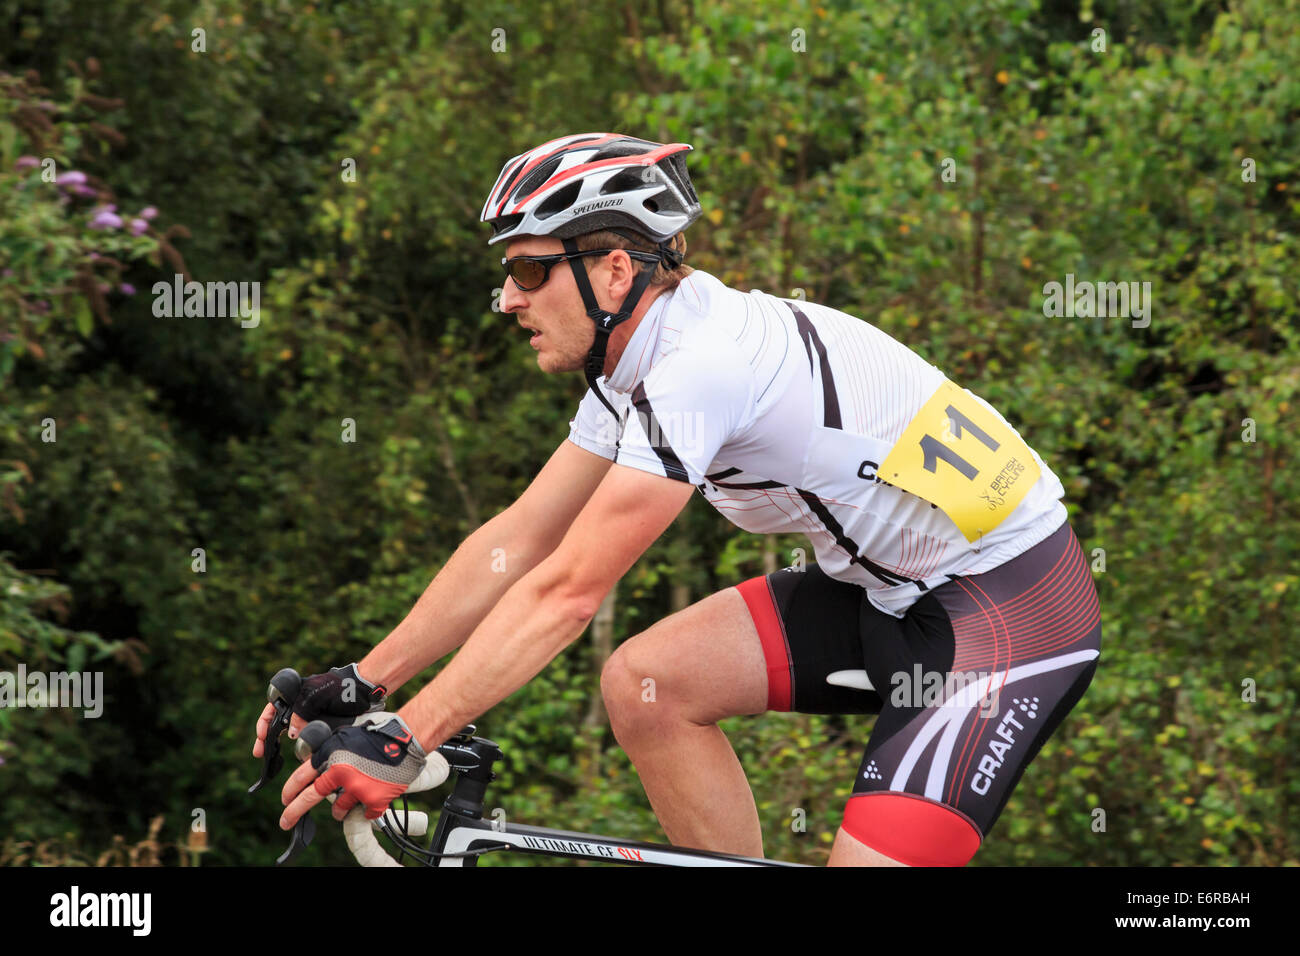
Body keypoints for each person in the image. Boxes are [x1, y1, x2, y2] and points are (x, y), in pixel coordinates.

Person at [257, 133, 1101, 866]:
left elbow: (568, 592)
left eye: (526, 269)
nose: (507, 298)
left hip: (1011, 611)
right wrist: (366, 684)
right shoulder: (639, 358)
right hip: (885, 590)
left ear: (615, 270)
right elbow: (519, 541)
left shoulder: (701, 367)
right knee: (646, 684)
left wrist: (409, 737)